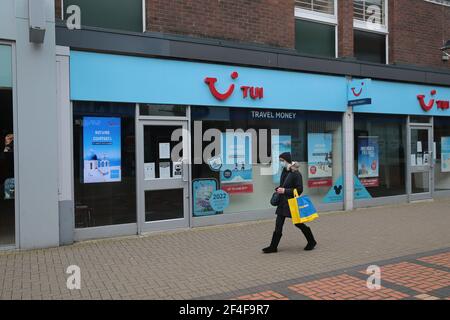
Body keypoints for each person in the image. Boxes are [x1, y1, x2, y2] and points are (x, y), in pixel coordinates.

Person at [262, 152, 317, 253]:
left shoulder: (296, 173)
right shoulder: (285, 171)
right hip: (282, 202)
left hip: (292, 203)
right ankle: (273, 247)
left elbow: (299, 190)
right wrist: (280, 189)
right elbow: (284, 184)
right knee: (278, 224)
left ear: (287, 160)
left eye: (282, 161)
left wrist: (285, 191)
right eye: (280, 161)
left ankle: (311, 241)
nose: (281, 163)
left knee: (298, 223)